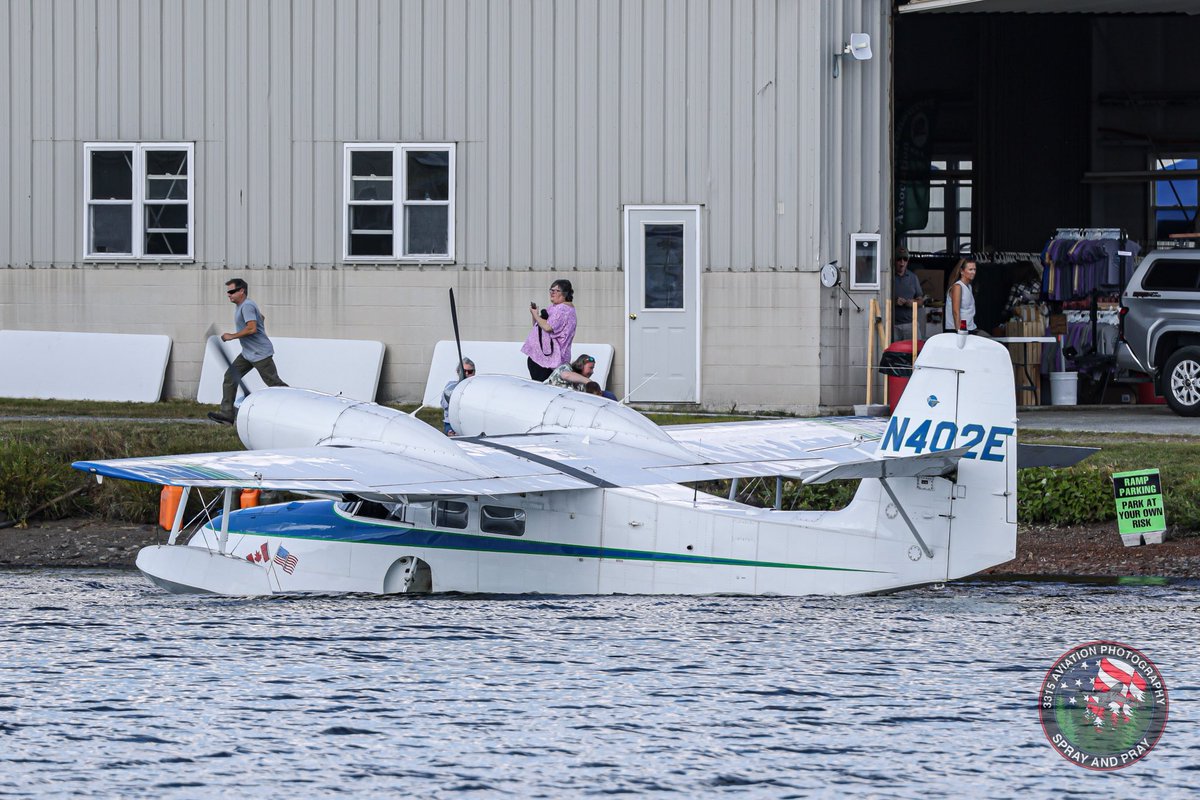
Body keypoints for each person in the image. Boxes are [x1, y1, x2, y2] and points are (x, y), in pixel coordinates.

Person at [208, 278, 288, 424]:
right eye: (228, 292)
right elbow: (261, 318)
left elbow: (252, 328)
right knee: (230, 377)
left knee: (275, 384)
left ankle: (295, 406)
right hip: (248, 353)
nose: (229, 295)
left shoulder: (247, 306)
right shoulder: (243, 306)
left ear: (241, 291)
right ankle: (227, 415)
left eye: (232, 291)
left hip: (259, 354)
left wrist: (232, 336)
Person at [521, 279, 577, 381]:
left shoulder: (563, 309)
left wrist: (535, 315)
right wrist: (535, 315)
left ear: (565, 293)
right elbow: (539, 327)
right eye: (551, 290)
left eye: (556, 290)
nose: (552, 293)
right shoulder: (555, 307)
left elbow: (548, 327)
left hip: (548, 359)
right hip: (543, 357)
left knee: (543, 388)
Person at [943, 257, 985, 335]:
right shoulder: (957, 287)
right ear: (962, 271)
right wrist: (960, 333)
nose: (973, 272)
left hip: (970, 328)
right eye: (970, 269)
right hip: (958, 331)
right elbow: (956, 312)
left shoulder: (969, 286)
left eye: (974, 269)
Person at [893, 247, 924, 341]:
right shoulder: (888, 277)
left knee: (916, 352)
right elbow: (880, 299)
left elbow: (921, 301)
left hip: (911, 324)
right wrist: (894, 302)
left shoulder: (913, 277)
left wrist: (913, 302)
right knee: (893, 354)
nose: (902, 262)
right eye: (899, 259)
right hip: (893, 325)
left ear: (907, 261)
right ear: (894, 261)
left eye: (905, 259)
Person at [441, 357, 475, 436]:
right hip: (452, 424)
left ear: (474, 373)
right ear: (458, 372)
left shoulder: (477, 388)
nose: (466, 374)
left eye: (470, 371)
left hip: (471, 423)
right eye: (464, 371)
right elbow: (444, 405)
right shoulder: (450, 386)